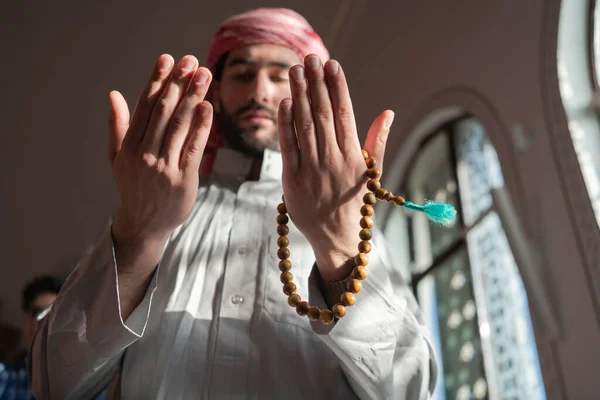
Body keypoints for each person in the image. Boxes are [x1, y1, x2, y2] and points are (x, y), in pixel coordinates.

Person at [29, 8, 437, 399]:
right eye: (243, 74)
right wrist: (139, 229)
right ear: (218, 94)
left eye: (282, 77)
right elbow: (52, 382)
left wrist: (341, 248)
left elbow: (410, 388)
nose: (259, 91)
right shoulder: (157, 206)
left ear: (311, 98)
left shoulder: (353, 221)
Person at [0, 276, 63, 400]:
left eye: (52, 313)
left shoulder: (83, 380)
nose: (42, 321)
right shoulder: (5, 377)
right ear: (27, 319)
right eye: (37, 312)